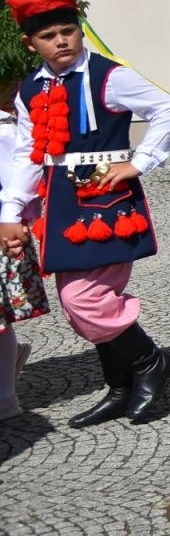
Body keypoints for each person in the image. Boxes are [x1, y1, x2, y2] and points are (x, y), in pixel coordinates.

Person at [0, 0, 170, 426]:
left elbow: (169, 108)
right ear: (31, 43)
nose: (62, 41)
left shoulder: (109, 75)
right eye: (49, 35)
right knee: (80, 300)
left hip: (106, 202)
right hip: (61, 203)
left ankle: (149, 362)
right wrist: (10, 213)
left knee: (84, 299)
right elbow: (30, 152)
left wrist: (137, 163)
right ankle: (119, 387)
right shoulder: (31, 88)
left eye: (69, 31)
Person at [0, 83, 47, 421]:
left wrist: (15, 219)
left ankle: (5, 399)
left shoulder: (3, 128)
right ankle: (12, 357)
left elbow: (17, 177)